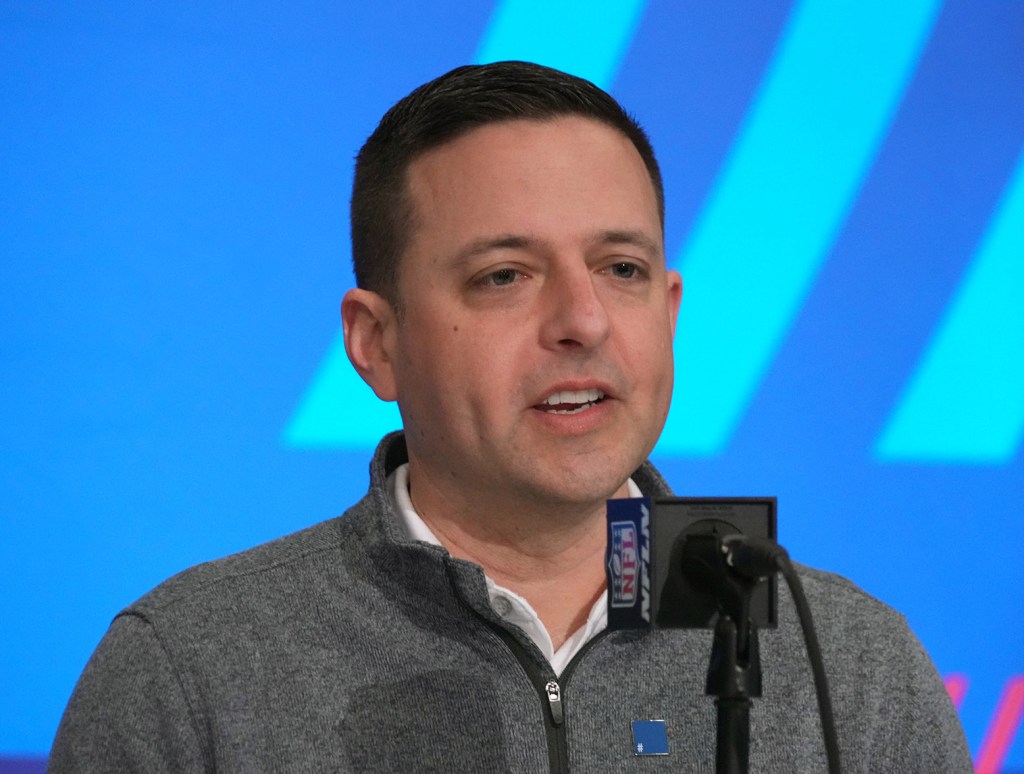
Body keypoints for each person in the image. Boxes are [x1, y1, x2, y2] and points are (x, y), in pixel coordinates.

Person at [49, 61, 972, 773]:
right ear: (376, 342)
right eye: (504, 276)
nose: (581, 321)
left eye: (621, 268)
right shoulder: (189, 675)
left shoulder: (852, 669)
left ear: (672, 309)